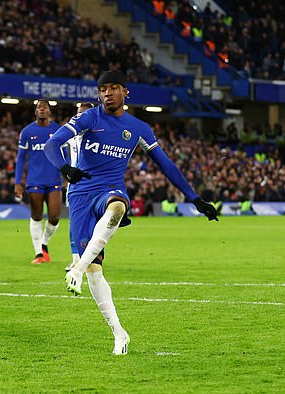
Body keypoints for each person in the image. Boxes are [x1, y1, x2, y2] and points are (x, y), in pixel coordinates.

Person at [44, 70, 218, 355]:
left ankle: (75, 267)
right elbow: (53, 143)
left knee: (117, 207)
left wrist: (194, 197)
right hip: (79, 196)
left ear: (126, 92)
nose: (107, 94)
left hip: (110, 188)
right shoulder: (89, 118)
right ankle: (119, 332)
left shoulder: (138, 128)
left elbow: (167, 165)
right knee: (95, 272)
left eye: (113, 88)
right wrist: (64, 167)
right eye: (103, 89)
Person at [14, 99, 63, 264]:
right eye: (38, 108)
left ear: (49, 111)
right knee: (36, 216)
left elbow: (65, 153)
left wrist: (68, 174)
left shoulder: (57, 130)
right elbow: (21, 158)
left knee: (54, 217)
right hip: (34, 180)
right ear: (35, 112)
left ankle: (44, 243)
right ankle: (38, 254)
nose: (42, 110)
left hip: (54, 178)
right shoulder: (27, 132)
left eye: (45, 107)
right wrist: (17, 182)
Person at [64, 102, 95, 273]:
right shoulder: (71, 134)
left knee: (93, 222)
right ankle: (76, 259)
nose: (80, 116)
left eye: (84, 113)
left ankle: (90, 257)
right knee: (73, 222)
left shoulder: (99, 134)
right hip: (75, 183)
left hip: (95, 183)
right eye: (78, 113)